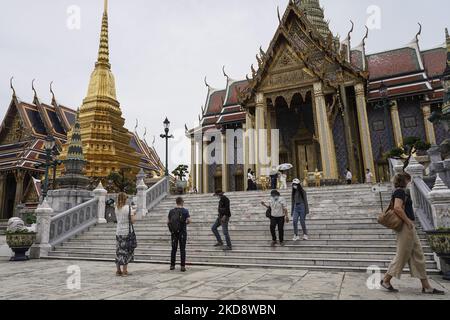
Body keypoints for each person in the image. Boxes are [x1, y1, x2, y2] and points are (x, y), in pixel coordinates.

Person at [381, 173, 444, 295]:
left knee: (418, 254)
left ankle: (426, 286)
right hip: (405, 227)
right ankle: (385, 280)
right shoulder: (399, 192)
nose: (410, 182)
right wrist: (408, 221)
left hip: (409, 227)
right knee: (402, 254)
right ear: (404, 180)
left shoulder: (402, 191)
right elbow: (397, 208)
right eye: (408, 180)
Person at [115, 192, 136, 277]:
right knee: (125, 252)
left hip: (118, 232)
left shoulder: (116, 208)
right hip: (126, 232)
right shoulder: (128, 208)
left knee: (118, 251)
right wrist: (134, 213)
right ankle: (125, 271)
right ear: (125, 199)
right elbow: (133, 221)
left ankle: (118, 270)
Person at [168, 197, 191, 272]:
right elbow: (189, 221)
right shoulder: (185, 211)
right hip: (182, 232)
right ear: (182, 202)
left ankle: (172, 265)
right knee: (182, 249)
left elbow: (168, 222)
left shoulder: (171, 211)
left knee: (173, 249)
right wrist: (185, 223)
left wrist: (172, 229)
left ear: (176, 202)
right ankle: (182, 266)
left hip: (174, 233)